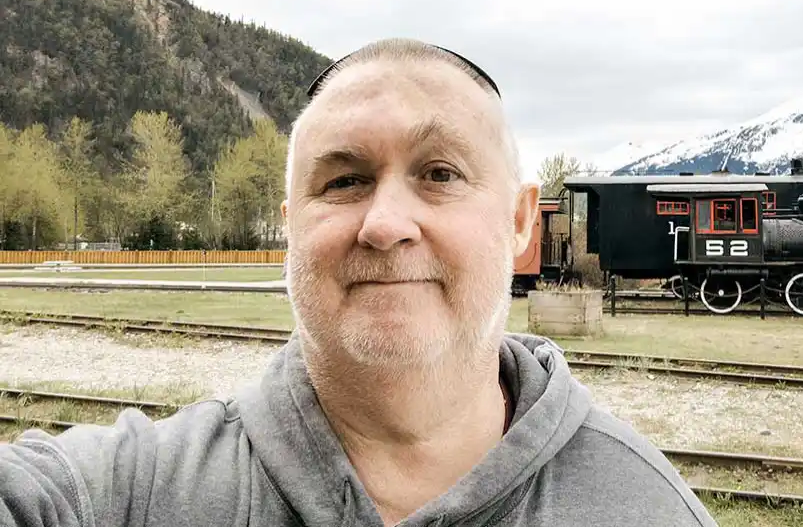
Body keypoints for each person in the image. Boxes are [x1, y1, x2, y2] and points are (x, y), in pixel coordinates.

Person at [0, 39, 718, 526]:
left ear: (521, 219)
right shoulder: (131, 492)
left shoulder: (648, 507)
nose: (384, 223)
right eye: (344, 180)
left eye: (440, 174)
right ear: (291, 228)